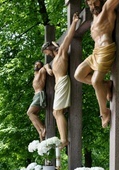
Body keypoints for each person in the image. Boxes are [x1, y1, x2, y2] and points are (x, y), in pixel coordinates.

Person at [74, 0, 119, 128]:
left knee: (95, 81)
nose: (93, 6)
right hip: (95, 53)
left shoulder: (106, 9)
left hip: (106, 49)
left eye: (95, 3)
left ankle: (104, 112)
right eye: (90, 5)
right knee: (78, 75)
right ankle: (106, 85)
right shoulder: (93, 19)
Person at [42, 12, 81, 149]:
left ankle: (64, 140)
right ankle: (63, 138)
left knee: (57, 112)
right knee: (56, 112)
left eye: (46, 52)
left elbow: (68, 38)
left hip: (63, 82)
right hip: (59, 85)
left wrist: (75, 22)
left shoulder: (62, 54)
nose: (46, 55)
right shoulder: (54, 61)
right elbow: (51, 71)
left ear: (49, 49)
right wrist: (47, 67)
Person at [27, 61, 48, 141]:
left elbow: (46, 66)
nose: (36, 66)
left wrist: (47, 68)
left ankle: (43, 128)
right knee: (33, 114)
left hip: (39, 95)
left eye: (38, 65)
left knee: (30, 112)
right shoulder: (35, 75)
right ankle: (39, 131)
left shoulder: (42, 70)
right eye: (35, 64)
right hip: (36, 96)